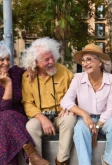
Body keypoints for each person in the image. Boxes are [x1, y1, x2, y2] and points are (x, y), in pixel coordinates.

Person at [0, 44, 49, 165]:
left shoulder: (15, 72)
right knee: (7, 117)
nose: (6, 63)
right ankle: (32, 154)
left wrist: (31, 68)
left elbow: (32, 66)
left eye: (7, 59)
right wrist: (8, 84)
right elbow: (3, 108)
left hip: (17, 119)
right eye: (1, 59)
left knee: (8, 122)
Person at [61, 43, 112, 165]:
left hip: (105, 119)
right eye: (83, 61)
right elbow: (66, 101)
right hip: (85, 119)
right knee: (79, 128)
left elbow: (111, 109)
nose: (85, 64)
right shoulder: (78, 78)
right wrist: (84, 114)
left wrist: (97, 127)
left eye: (89, 60)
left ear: (100, 62)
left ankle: (108, 161)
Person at [21, 37, 76, 165]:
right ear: (36, 62)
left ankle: (62, 160)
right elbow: (28, 103)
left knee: (69, 119)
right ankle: (38, 162)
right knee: (30, 126)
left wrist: (69, 107)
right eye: (46, 60)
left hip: (60, 115)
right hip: (41, 117)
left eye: (52, 57)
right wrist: (42, 118)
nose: (52, 61)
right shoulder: (27, 76)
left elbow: (76, 91)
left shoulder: (63, 71)